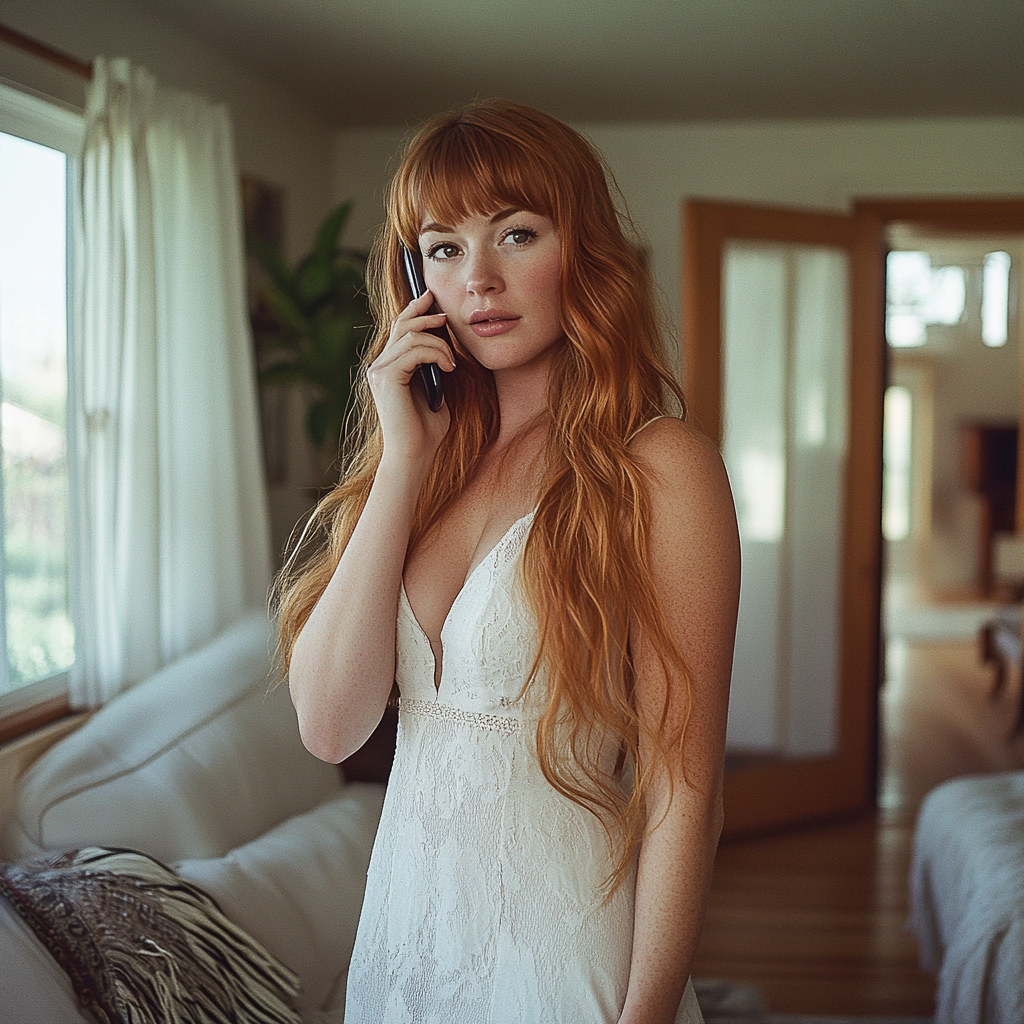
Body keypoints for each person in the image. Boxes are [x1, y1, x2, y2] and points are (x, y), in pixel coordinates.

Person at [275, 99, 740, 1024]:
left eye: (516, 234)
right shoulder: (420, 466)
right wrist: (403, 461)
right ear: (415, 279)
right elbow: (331, 727)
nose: (479, 279)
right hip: (405, 952)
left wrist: (643, 1017)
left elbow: (687, 789)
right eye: (443, 249)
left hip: (567, 965)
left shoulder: (661, 468)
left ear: (583, 250)